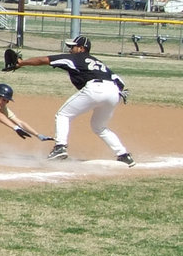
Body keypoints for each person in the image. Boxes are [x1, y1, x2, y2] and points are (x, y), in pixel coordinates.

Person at [12, 35, 135, 166]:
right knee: (99, 127)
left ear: (81, 48)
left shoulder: (75, 58)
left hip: (95, 88)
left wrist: (21, 62)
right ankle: (123, 155)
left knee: (63, 115)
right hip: (114, 93)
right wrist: (117, 92)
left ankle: (60, 147)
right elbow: (119, 82)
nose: (70, 49)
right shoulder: (99, 63)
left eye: (73, 47)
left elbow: (44, 59)